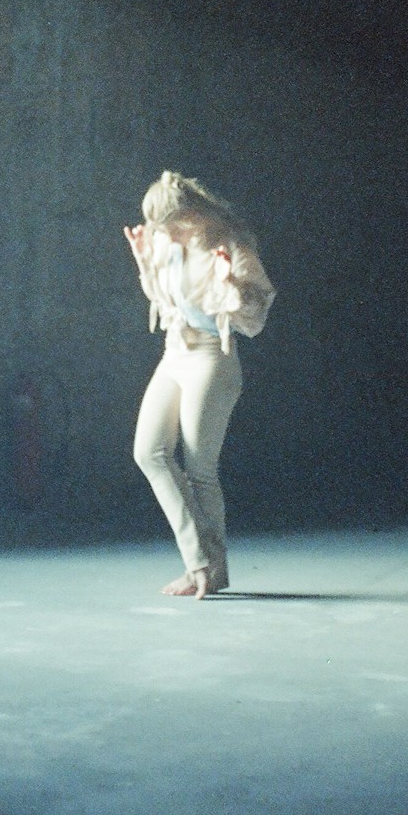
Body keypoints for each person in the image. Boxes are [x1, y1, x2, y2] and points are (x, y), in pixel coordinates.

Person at [125, 171, 276, 599]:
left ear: (192, 214)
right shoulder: (163, 241)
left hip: (213, 355)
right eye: (158, 227)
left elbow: (254, 318)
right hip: (175, 352)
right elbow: (162, 296)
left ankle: (207, 568)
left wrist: (230, 284)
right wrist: (143, 259)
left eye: (171, 224)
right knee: (149, 452)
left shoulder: (229, 246)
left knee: (199, 469)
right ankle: (204, 564)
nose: (163, 233)